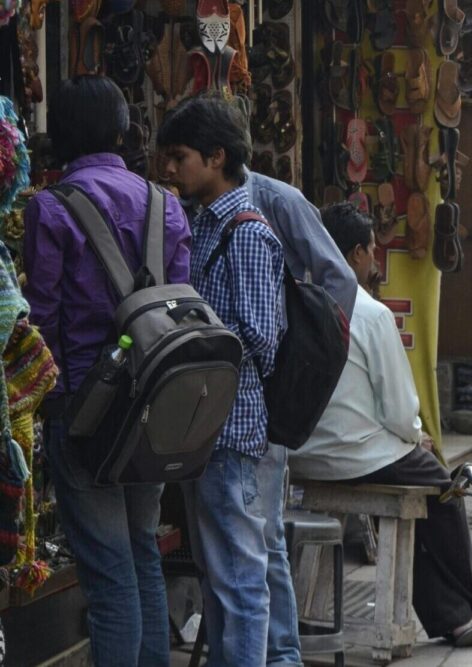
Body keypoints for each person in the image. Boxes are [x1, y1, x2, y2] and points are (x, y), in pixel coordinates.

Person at [289, 202, 472, 647]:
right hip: (356, 454)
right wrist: (420, 437)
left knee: (421, 501)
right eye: (373, 252)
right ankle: (467, 611)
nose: (376, 262)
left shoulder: (298, 299)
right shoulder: (368, 312)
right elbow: (398, 409)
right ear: (356, 254)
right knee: (445, 492)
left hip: (302, 455)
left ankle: (454, 615)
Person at [24, 75, 191, 666]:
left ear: (60, 137)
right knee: (142, 552)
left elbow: (42, 319)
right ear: (122, 132)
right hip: (155, 403)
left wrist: (43, 407)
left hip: (86, 409)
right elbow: (179, 302)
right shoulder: (165, 203)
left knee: (108, 573)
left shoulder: (50, 207)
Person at [157, 95, 285, 665]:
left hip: (230, 427)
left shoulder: (248, 232)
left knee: (238, 577)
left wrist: (198, 330)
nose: (169, 169)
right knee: (220, 577)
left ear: (215, 157)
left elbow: (261, 338)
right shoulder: (205, 223)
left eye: (179, 157)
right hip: (204, 426)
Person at [244, 160, 358, 667]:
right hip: (228, 396)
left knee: (265, 532)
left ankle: (284, 655)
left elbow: (341, 279)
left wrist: (307, 364)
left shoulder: (279, 201)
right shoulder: (194, 205)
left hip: (272, 395)